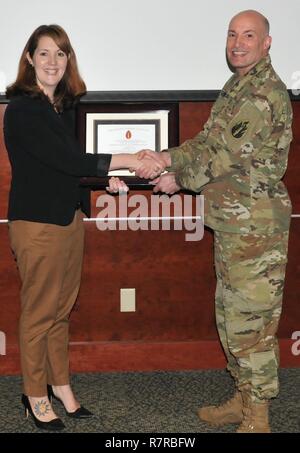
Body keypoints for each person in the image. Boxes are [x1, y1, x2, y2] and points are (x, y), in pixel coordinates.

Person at [137, 10, 293, 433]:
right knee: (231, 315)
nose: (237, 43)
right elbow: (208, 141)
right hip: (232, 223)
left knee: (252, 323)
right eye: (232, 35)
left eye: (248, 35)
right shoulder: (237, 87)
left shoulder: (263, 94)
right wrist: (168, 156)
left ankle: (257, 417)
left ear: (267, 43)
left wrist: (176, 178)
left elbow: (224, 157)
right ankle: (243, 398)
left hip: (255, 228)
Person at [4, 24, 161, 431]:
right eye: (44, 54)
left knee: (60, 313)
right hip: (37, 224)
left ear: (68, 60)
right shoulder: (23, 108)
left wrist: (103, 179)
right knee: (40, 314)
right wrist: (130, 159)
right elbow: (69, 161)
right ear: (29, 60)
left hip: (69, 219)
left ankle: (61, 387)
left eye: (61, 54)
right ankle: (34, 395)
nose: (53, 62)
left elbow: (67, 166)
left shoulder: (65, 108)